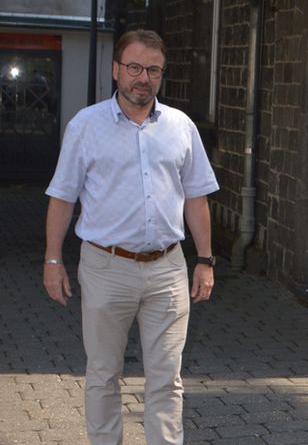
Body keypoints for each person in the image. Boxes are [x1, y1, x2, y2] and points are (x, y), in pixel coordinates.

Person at [42, 29, 219, 445]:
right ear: (116, 69)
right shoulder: (86, 126)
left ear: (162, 74)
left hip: (168, 269)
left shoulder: (181, 126)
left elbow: (196, 198)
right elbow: (62, 197)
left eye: (153, 70)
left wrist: (206, 261)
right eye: (135, 67)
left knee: (166, 379)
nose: (144, 77)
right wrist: (53, 260)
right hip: (106, 267)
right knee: (104, 374)